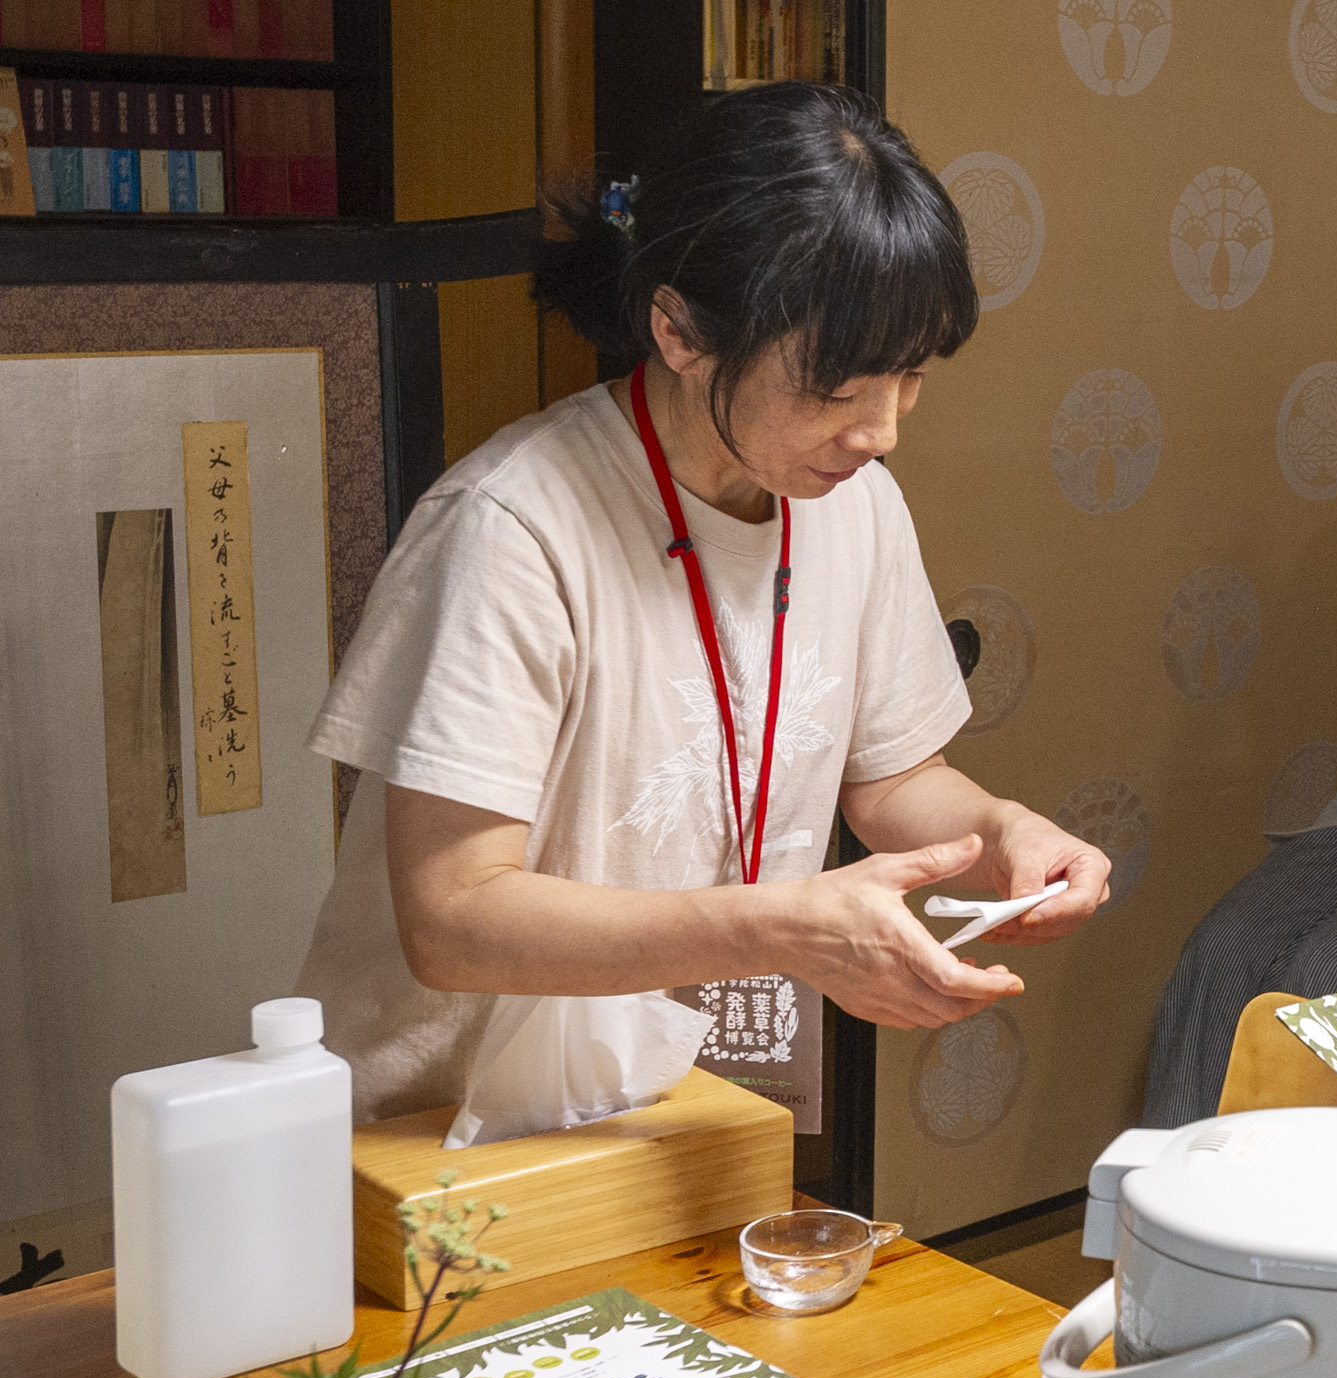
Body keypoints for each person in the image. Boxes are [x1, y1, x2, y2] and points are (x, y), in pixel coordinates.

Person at [297, 83, 1108, 1122]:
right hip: (437, 1129)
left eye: (908, 377)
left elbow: (896, 773)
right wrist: (779, 927)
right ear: (678, 330)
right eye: (837, 385)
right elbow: (453, 918)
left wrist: (1001, 834)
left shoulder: (855, 503)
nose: (881, 431)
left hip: (665, 1111)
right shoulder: (511, 529)